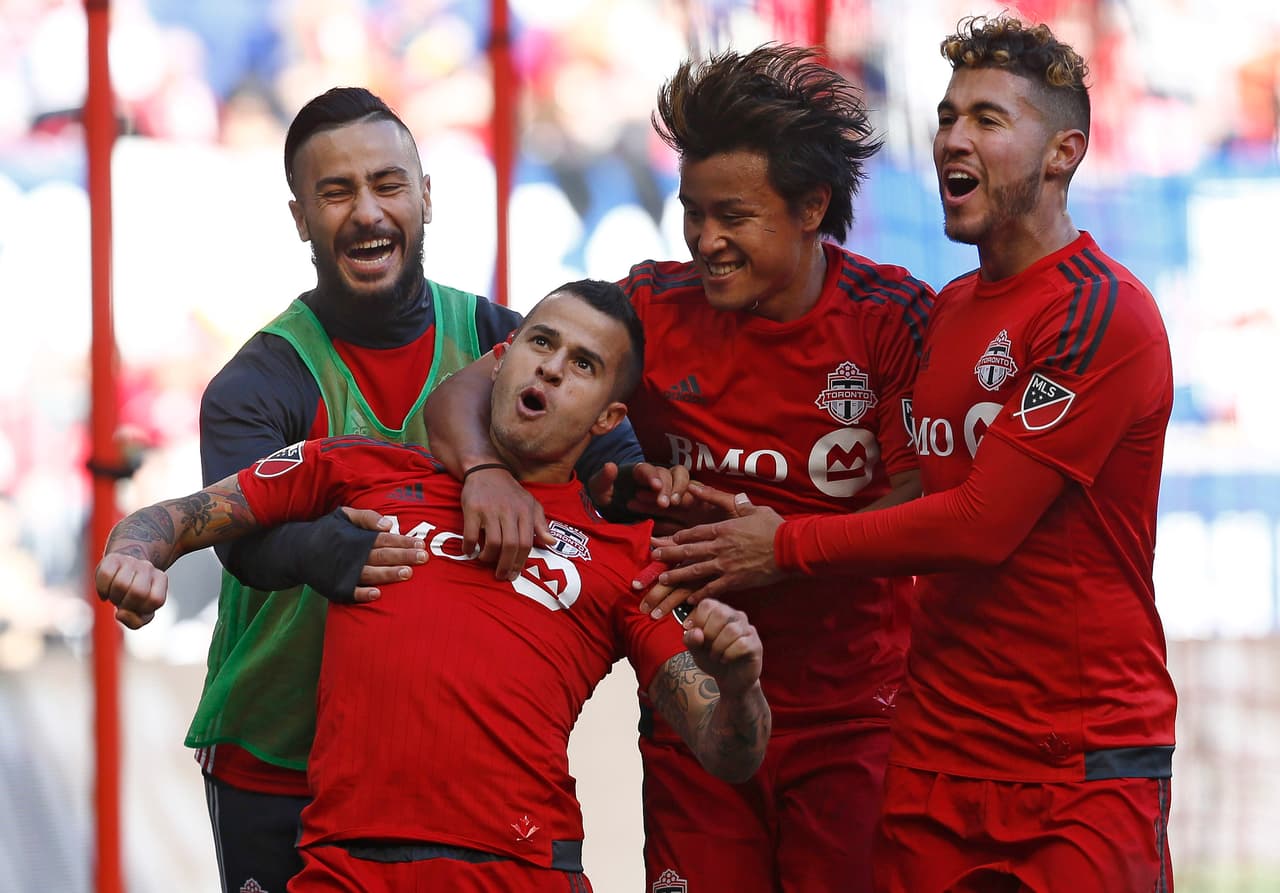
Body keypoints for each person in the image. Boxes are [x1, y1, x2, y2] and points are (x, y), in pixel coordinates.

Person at [646, 15, 1177, 891]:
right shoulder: (948, 311)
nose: (952, 139)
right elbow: (904, 498)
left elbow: (979, 524)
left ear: (1064, 153)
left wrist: (779, 544)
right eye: (946, 116)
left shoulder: (1101, 311)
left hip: (1075, 754)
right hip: (934, 744)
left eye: (988, 120)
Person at [423, 45, 935, 893]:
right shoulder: (652, 305)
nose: (705, 240)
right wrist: (484, 470)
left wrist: (789, 546)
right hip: (696, 710)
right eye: (691, 212)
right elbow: (462, 394)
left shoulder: (890, 318)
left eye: (732, 215)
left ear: (812, 206)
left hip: (854, 719)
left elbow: (929, 500)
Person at [98, 281, 772, 892]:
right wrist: (133, 554)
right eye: (542, 342)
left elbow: (727, 749)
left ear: (606, 418)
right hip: (342, 869)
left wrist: (739, 686)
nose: (553, 366)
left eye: (583, 365)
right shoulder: (363, 466)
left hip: (519, 874)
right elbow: (175, 517)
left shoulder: (624, 557)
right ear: (502, 357)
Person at [189, 87, 640, 893]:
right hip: (279, 759)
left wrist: (642, 483)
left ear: (427, 194)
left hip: (444, 788)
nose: (367, 212)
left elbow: (616, 454)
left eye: (388, 184)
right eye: (336, 192)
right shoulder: (256, 381)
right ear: (300, 217)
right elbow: (240, 543)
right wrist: (317, 547)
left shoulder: (511, 339)